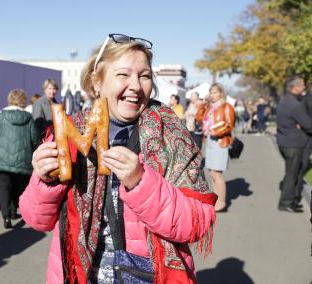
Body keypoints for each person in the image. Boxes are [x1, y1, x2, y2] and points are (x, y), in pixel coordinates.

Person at [19, 33, 216, 283]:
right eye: (123, 74)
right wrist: (45, 182)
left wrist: (141, 183)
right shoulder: (69, 133)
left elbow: (198, 222)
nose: (136, 85)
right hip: (82, 275)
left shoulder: (172, 134)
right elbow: (37, 220)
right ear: (97, 82)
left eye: (144, 76)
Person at [0, 89, 38, 229]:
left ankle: (6, 217)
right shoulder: (29, 118)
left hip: (2, 159)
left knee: (4, 188)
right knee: (18, 188)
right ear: (23, 100)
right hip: (22, 159)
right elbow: (35, 139)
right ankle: (14, 210)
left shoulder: (0, 116)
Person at [196, 83, 235, 212]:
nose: (212, 95)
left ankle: (222, 203)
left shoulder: (226, 107)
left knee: (217, 174)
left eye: (215, 92)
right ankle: (217, 200)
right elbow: (199, 118)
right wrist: (203, 104)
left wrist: (217, 133)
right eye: (211, 92)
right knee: (212, 173)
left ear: (221, 93)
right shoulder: (210, 107)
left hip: (220, 141)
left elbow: (229, 125)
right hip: (210, 141)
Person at [276, 75, 312, 212]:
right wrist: (302, 125)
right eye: (302, 85)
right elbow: (308, 125)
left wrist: (301, 125)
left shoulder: (285, 100)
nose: (304, 87)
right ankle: (286, 203)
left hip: (286, 141)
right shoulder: (295, 105)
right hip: (293, 144)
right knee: (292, 174)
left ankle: (289, 200)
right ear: (295, 87)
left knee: (290, 173)